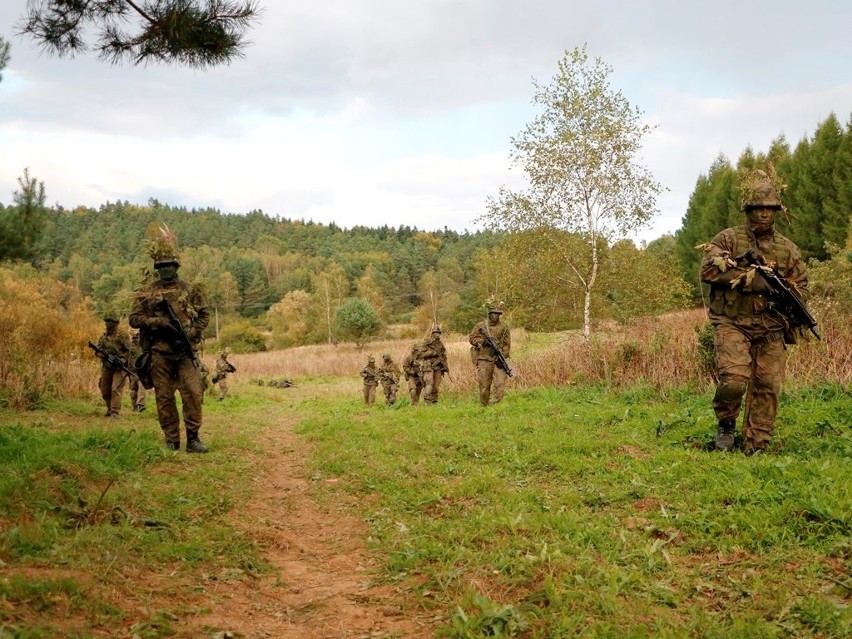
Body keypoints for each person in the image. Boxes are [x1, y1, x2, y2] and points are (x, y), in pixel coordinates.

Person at [699, 167, 809, 455]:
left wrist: (785, 292)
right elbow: (709, 270)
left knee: (768, 384)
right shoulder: (727, 240)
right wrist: (751, 281)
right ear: (747, 210)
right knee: (734, 380)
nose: (763, 214)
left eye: (769, 209)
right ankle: (725, 423)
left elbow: (802, 286)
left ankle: (756, 443)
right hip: (732, 322)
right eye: (757, 208)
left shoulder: (787, 250)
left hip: (771, 326)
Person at [129, 224, 210, 453]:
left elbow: (204, 315)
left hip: (185, 352)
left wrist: (192, 333)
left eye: (169, 266)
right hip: (159, 353)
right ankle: (172, 440)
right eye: (162, 267)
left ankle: (193, 438)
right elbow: (134, 319)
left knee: (193, 393)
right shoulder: (148, 291)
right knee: (164, 398)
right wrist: (158, 322)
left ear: (176, 266)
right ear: (157, 268)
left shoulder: (189, 290)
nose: (166, 270)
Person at [469, 304, 511, 406]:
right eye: (494, 314)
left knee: (501, 383)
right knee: (484, 385)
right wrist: (484, 341)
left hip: (498, 359)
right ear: (489, 314)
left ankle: (494, 403)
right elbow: (472, 339)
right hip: (484, 359)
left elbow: (507, 343)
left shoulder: (504, 327)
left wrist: (503, 355)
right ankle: (484, 406)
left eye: (498, 314)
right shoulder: (481, 326)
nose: (496, 316)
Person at [94, 311, 132, 417]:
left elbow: (129, 351)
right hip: (107, 366)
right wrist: (102, 355)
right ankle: (110, 409)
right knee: (104, 388)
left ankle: (115, 411)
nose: (107, 324)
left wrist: (123, 360)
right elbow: (97, 351)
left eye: (109, 321)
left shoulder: (122, 335)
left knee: (116, 388)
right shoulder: (104, 337)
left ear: (115, 323)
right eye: (106, 321)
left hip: (120, 367)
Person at [416, 325, 449, 405]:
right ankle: (427, 401)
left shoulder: (440, 343)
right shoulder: (427, 342)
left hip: (438, 367)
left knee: (436, 385)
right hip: (428, 367)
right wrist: (432, 353)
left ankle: (434, 401)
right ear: (432, 333)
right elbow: (420, 354)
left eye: (438, 333)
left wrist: (445, 365)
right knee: (429, 384)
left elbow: (443, 355)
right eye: (436, 333)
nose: (437, 334)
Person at [128, 330, 147, 412]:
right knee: (135, 389)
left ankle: (138, 405)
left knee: (136, 388)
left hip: (135, 370)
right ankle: (138, 405)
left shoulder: (131, 348)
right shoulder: (142, 347)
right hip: (136, 370)